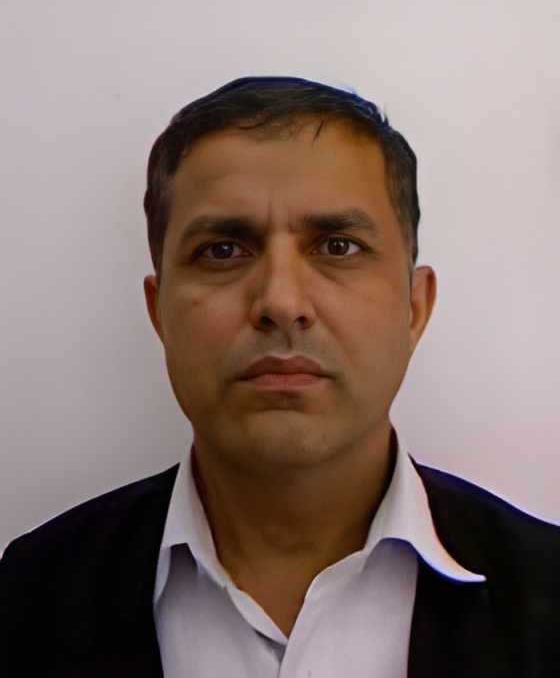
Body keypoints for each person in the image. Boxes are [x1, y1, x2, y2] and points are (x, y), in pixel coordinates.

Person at [1, 76, 560, 678]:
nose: (281, 301)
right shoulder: (26, 599)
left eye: (338, 247)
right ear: (160, 313)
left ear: (414, 309)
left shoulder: (550, 592)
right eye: (223, 250)